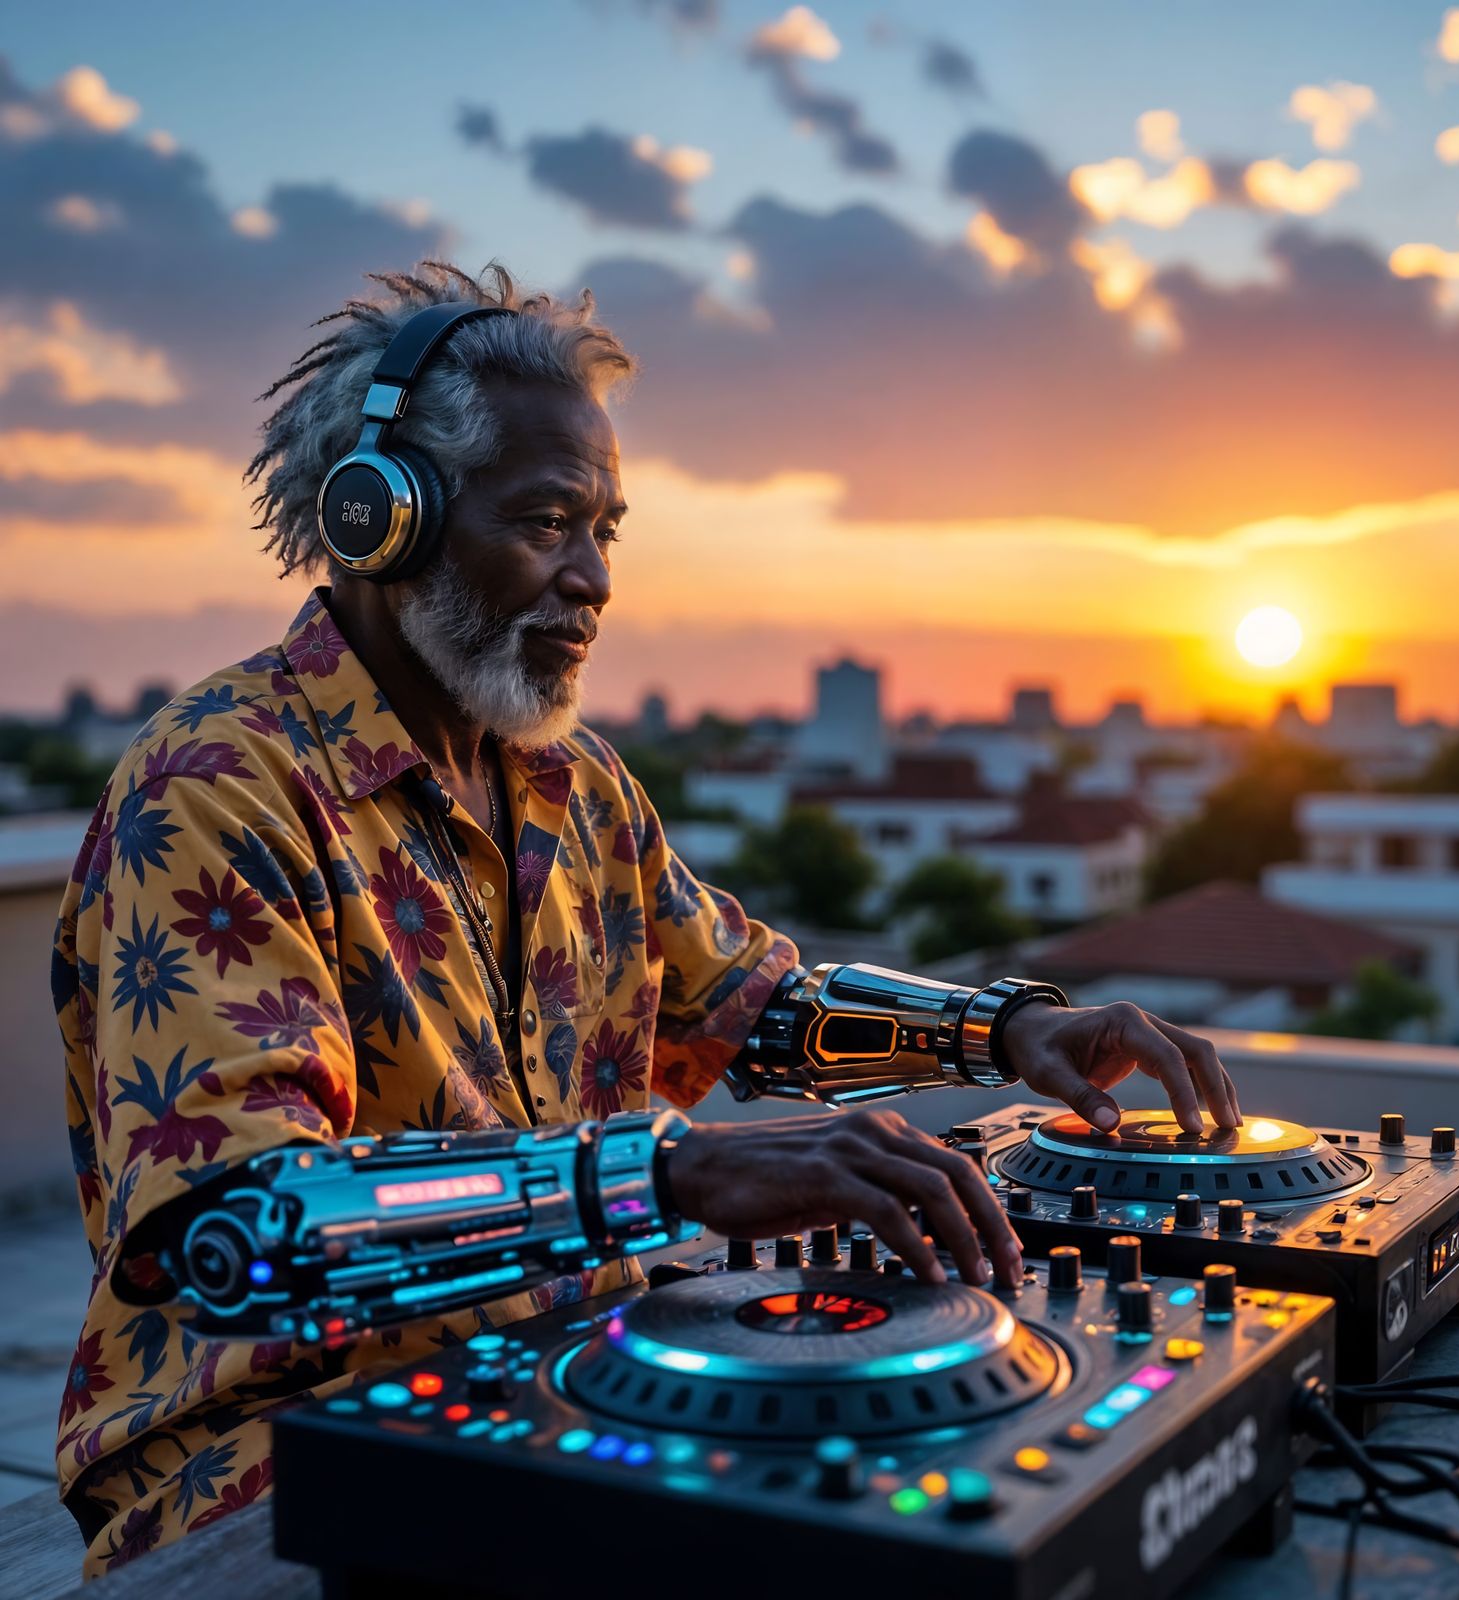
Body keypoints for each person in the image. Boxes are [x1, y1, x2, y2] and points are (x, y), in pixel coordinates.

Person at [54, 259, 1239, 1572]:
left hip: (557, 1386)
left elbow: (751, 1004)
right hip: (276, 1460)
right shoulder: (219, 787)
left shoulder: (578, 784)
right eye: (548, 520)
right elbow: (237, 1230)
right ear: (382, 522)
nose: (593, 580)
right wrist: (669, 1174)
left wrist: (1006, 1033)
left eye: (605, 528)